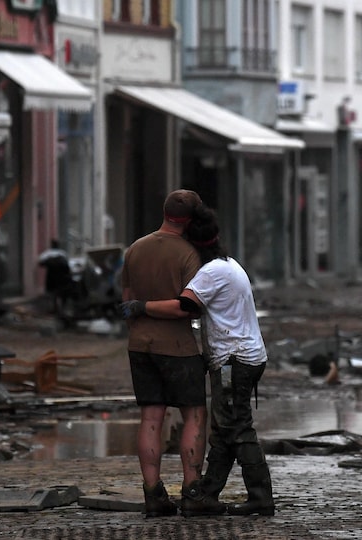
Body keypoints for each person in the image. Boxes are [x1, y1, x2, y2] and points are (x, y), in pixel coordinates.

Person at [121, 204, 275, 517]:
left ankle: (261, 497)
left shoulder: (212, 272)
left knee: (238, 427)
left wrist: (142, 306)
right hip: (237, 358)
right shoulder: (227, 264)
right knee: (225, 428)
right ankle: (203, 494)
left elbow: (184, 307)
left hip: (235, 361)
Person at [120, 189, 221, 518]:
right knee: (193, 414)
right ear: (191, 220)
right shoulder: (189, 253)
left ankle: (153, 493)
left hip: (140, 344)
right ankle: (192, 491)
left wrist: (143, 313)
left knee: (151, 418)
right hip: (178, 347)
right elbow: (189, 307)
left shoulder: (135, 248)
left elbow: (127, 300)